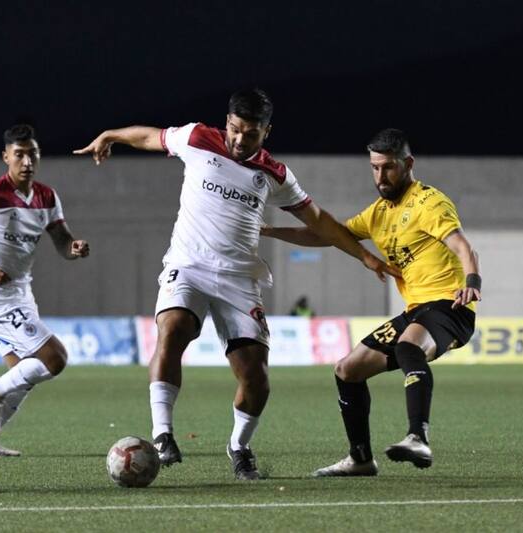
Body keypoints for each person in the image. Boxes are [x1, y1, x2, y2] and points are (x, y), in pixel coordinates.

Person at [74, 89, 397, 480]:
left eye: (252, 134)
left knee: (256, 377)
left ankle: (239, 448)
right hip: (188, 266)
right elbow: (150, 136)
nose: (241, 140)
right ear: (226, 122)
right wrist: (111, 134)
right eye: (236, 129)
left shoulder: (274, 174)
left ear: (267, 132)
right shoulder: (197, 139)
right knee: (173, 328)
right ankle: (162, 436)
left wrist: (364, 255)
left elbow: (319, 220)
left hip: (240, 280)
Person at [262, 128, 481, 476]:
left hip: (449, 307)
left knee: (409, 346)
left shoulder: (429, 203)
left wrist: (472, 281)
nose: (381, 175)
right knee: (348, 370)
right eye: (375, 167)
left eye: (389, 167)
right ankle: (361, 458)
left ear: (407, 164)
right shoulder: (378, 213)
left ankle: (417, 436)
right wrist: (268, 231)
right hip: (415, 312)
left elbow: (463, 246)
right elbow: (328, 235)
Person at [0, 124, 90, 457]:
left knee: (24, 375)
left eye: (32, 154)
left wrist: (74, 248)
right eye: (19, 154)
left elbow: (62, 241)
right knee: (55, 358)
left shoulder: (47, 197)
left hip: (23, 295)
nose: (26, 161)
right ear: (6, 156)